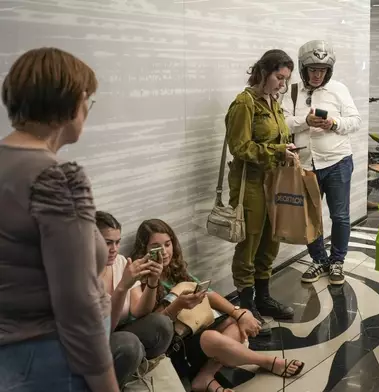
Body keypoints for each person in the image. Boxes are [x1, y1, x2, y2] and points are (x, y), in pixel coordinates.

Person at [0, 48, 118, 391]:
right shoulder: (56, 180)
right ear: (73, 103)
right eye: (88, 101)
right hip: (56, 359)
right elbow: (77, 303)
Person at [131, 219, 305, 392]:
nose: (164, 252)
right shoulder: (141, 280)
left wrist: (239, 313)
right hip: (172, 350)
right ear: (144, 251)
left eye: (167, 244)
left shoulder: (175, 270)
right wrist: (176, 305)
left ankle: (205, 377)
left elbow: (209, 293)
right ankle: (265, 362)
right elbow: (151, 326)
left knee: (234, 323)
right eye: (156, 247)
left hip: (197, 333)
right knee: (210, 338)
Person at [226, 49, 298, 332]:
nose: (282, 84)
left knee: (271, 240)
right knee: (250, 242)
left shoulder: (274, 102)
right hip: (251, 184)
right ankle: (246, 304)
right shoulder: (244, 104)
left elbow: (278, 137)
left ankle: (263, 297)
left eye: (286, 79)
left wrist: (287, 149)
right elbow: (240, 147)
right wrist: (278, 150)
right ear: (264, 72)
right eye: (279, 77)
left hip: (274, 181)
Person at [282, 40, 362, 286]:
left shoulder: (338, 89)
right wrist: (305, 121)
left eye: (322, 70)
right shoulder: (292, 91)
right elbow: (283, 123)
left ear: (329, 71)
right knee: (310, 217)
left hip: (337, 162)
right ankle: (319, 260)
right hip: (305, 165)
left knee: (340, 216)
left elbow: (355, 120)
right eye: (313, 69)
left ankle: (337, 261)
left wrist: (334, 124)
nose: (317, 75)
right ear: (303, 68)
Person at [96, 211, 174, 387]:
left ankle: (131, 377)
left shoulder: (121, 262)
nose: (114, 249)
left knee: (161, 324)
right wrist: (123, 286)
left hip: (116, 336)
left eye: (117, 242)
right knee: (129, 344)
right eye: (107, 242)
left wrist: (153, 282)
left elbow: (140, 311)